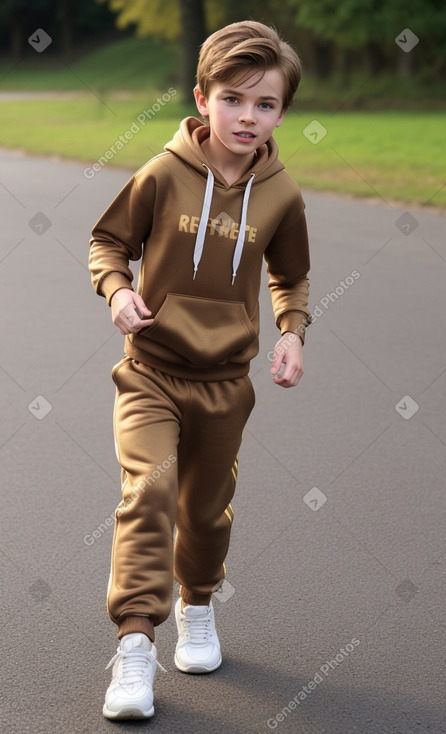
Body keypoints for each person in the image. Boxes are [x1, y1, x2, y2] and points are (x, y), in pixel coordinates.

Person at [88, 19, 312, 720]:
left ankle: (199, 604)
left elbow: (292, 277)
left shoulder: (281, 195)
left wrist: (292, 333)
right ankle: (133, 647)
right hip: (150, 371)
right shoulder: (160, 173)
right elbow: (107, 242)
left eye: (266, 104)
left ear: (281, 112)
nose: (248, 117)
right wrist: (118, 292)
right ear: (201, 98)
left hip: (225, 384)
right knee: (147, 497)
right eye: (233, 99)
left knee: (205, 514)